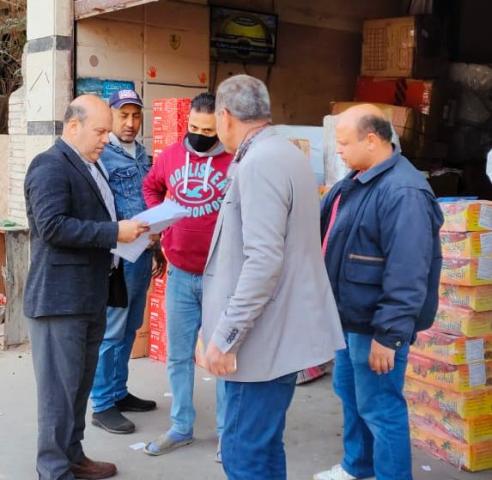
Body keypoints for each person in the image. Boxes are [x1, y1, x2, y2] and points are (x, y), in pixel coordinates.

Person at [200, 74, 345, 480]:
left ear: (225, 116)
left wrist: (226, 336)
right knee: (262, 448)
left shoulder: (260, 162)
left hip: (261, 341)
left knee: (243, 454)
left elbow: (263, 261)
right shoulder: (284, 153)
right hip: (277, 332)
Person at [314, 104, 443, 480]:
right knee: (351, 396)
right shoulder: (358, 181)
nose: (338, 150)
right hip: (349, 320)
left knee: (381, 409)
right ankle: (358, 466)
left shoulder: (403, 191)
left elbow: (408, 273)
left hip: (375, 326)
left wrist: (388, 337)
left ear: (371, 140)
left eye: (343, 143)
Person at [24, 94, 149, 480]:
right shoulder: (49, 166)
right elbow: (52, 227)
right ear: (73, 126)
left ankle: (73, 456)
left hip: (89, 295)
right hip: (59, 300)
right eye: (99, 131)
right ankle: (53, 470)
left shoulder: (90, 165)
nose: (105, 139)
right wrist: (114, 232)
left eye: (107, 132)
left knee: (78, 388)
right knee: (58, 395)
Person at [142, 92, 233, 458]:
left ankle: (228, 434)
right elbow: (151, 186)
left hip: (219, 276)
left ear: (221, 126)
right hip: (179, 274)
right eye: (194, 127)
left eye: (208, 130)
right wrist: (160, 219)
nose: (199, 135)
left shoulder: (236, 161)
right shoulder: (170, 156)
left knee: (222, 358)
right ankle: (181, 426)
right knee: (178, 356)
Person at [90, 89, 161, 434]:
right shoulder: (102, 156)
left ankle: (119, 392)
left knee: (131, 326)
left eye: (136, 115)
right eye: (123, 115)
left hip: (142, 253)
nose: (130, 123)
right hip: (117, 258)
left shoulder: (143, 155)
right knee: (112, 330)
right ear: (111, 117)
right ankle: (102, 403)